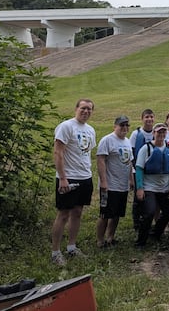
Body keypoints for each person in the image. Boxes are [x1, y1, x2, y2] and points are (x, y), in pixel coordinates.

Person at [51, 99, 97, 266]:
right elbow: (58, 152)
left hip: (85, 177)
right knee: (63, 214)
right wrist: (62, 177)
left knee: (78, 212)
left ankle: (71, 247)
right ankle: (55, 252)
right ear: (76, 108)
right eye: (83, 108)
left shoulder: (91, 130)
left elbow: (85, 153)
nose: (86, 111)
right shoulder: (66, 127)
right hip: (68, 177)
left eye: (89, 109)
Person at [135, 123, 169, 247]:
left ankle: (156, 234)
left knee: (167, 212)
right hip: (149, 187)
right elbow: (139, 168)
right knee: (149, 213)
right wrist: (140, 188)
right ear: (154, 133)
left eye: (163, 132)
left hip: (164, 187)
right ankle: (141, 241)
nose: (161, 135)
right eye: (158, 132)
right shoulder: (146, 148)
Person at [96, 115, 134, 249]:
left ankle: (110, 237)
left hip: (122, 186)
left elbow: (129, 163)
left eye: (126, 125)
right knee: (105, 214)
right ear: (115, 126)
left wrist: (131, 179)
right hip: (109, 185)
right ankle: (100, 241)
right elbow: (100, 161)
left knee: (117, 214)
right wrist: (104, 182)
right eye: (121, 125)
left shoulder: (127, 141)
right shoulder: (107, 140)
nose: (124, 128)